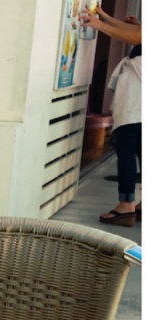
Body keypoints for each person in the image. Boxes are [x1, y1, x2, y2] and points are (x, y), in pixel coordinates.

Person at [80, 6, 142, 227]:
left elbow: (138, 37)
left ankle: (125, 205)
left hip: (137, 98)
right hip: (140, 97)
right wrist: (106, 18)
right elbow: (139, 33)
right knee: (141, 150)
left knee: (127, 149)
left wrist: (98, 24)